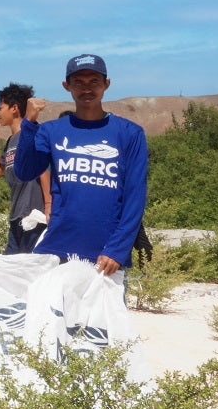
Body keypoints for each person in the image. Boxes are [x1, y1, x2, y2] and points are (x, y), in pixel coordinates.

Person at [12, 54, 148, 278]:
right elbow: (25, 171)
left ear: (106, 84)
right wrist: (29, 124)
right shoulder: (52, 131)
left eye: (94, 81)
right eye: (79, 82)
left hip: (106, 256)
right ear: (67, 86)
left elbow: (135, 197)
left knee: (102, 315)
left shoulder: (130, 133)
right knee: (53, 313)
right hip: (57, 251)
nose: (87, 89)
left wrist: (117, 250)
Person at [0, 82, 52, 254]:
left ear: (14, 108)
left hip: (35, 215)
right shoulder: (11, 141)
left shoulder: (32, 133)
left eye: (1, 108)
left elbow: (44, 170)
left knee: (31, 270)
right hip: (17, 216)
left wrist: (49, 206)